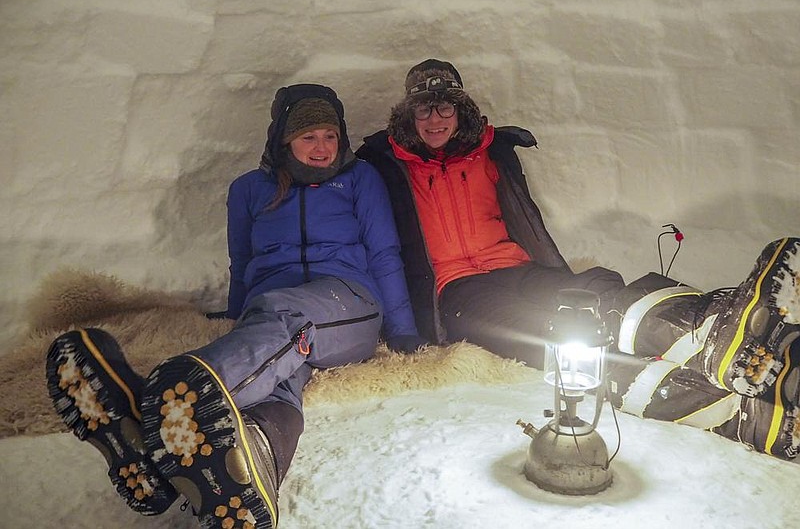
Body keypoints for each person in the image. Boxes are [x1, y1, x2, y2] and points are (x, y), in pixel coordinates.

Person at [356, 58, 799, 461]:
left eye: (445, 108)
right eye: (424, 110)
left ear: (461, 111)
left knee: (596, 291)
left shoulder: (489, 153)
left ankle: (714, 325)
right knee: (537, 329)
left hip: (513, 265)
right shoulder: (387, 165)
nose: (435, 120)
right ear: (409, 116)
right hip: (457, 287)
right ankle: (733, 410)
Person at [46, 83, 425, 527]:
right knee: (280, 375)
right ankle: (251, 466)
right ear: (284, 140)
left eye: (329, 136)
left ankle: (153, 409)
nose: (322, 147)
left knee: (290, 318)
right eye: (309, 137)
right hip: (271, 308)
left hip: (346, 300)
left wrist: (402, 328)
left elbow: (384, 253)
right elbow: (242, 261)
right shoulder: (248, 189)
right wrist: (236, 316)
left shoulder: (361, 178)